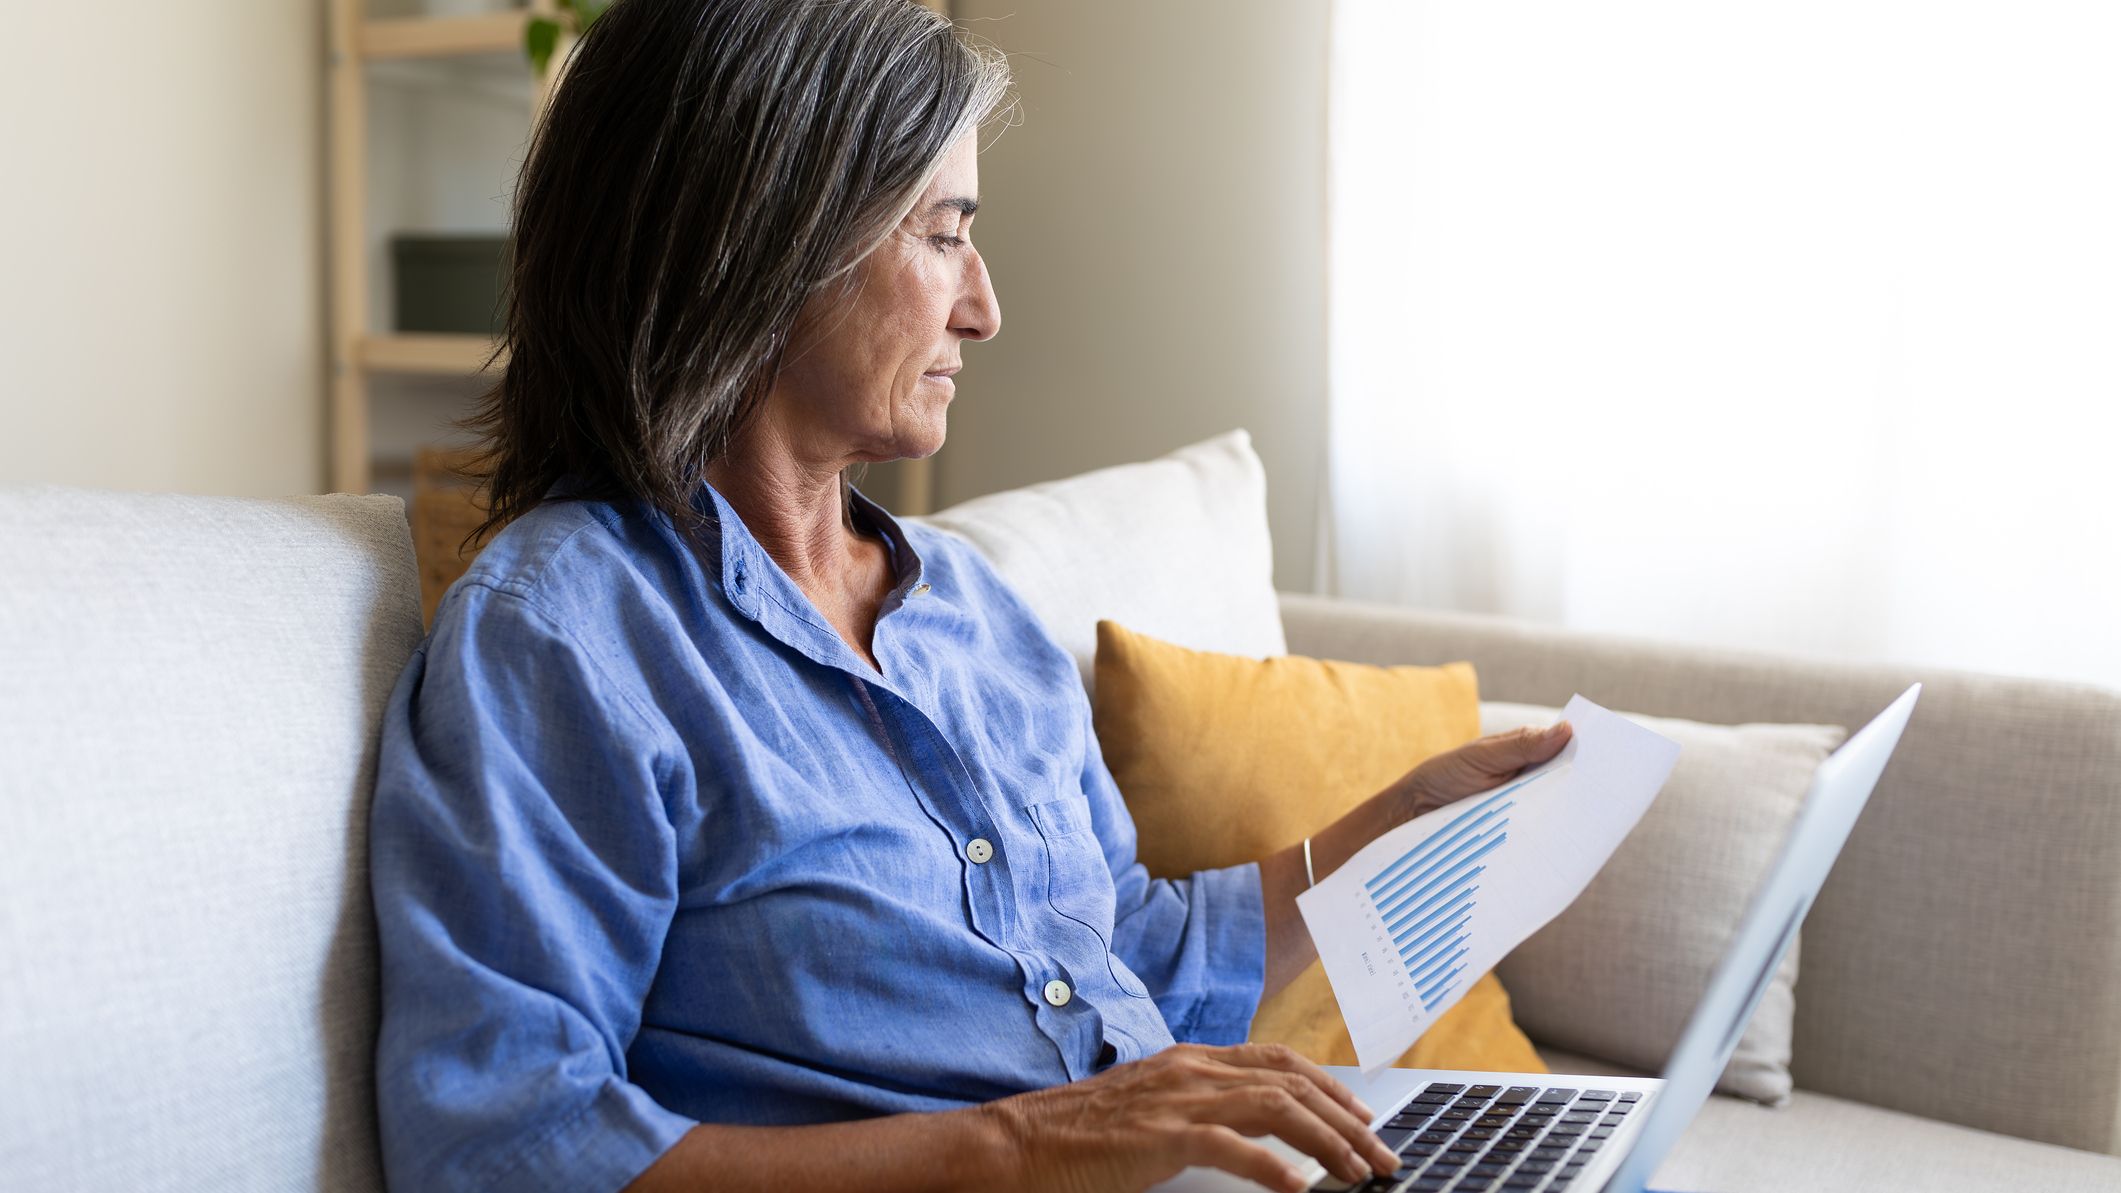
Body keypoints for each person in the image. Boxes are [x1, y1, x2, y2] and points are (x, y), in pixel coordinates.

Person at [366, 2, 1572, 1191]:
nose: (984, 307)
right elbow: (502, 1143)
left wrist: (1402, 817)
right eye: (943, 234)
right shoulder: (569, 637)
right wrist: (1029, 1144)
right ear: (760, 240)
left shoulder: (973, 615)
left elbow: (1130, 959)